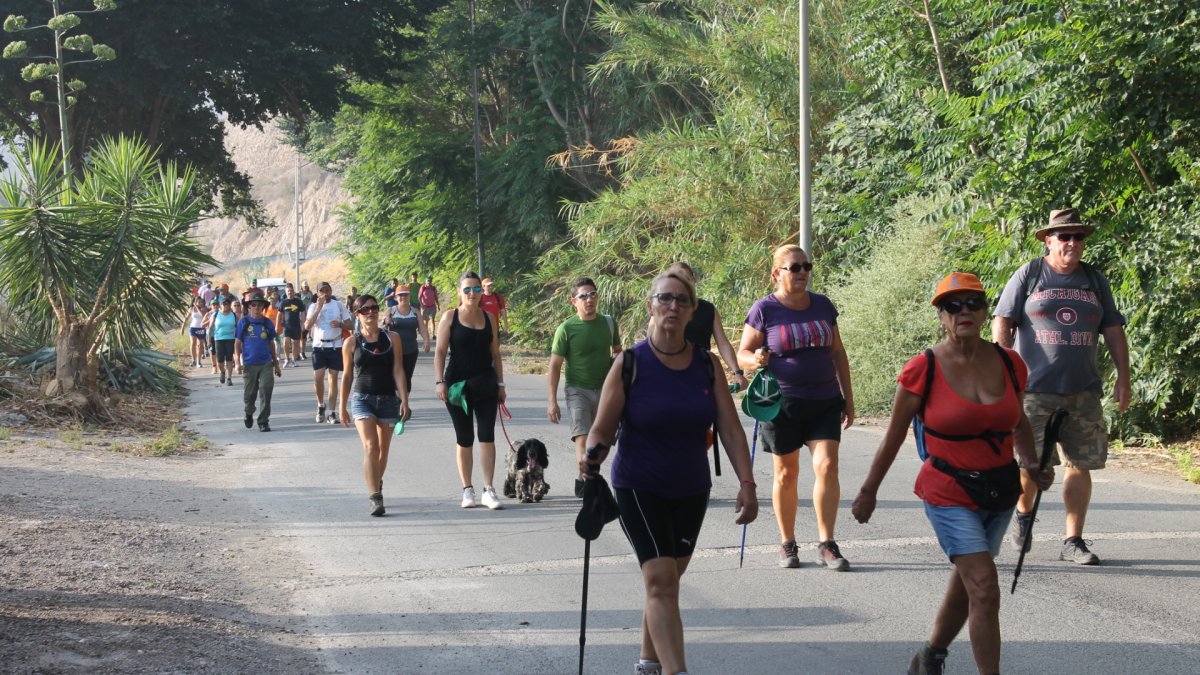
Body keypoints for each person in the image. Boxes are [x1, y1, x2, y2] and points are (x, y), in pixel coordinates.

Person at [851, 272, 1054, 675]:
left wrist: (1031, 464)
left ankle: (931, 655)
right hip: (947, 490)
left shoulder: (1009, 363)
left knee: (968, 583)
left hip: (999, 490)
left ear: (984, 311)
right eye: (952, 305)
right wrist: (868, 490)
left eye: (973, 303)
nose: (964, 311)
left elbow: (1017, 421)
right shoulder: (922, 368)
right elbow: (893, 436)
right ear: (941, 316)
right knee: (984, 584)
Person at [581, 268, 758, 675]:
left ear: (693, 310)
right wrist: (592, 456)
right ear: (651, 306)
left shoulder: (707, 365)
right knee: (661, 580)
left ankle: (648, 662)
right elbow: (602, 428)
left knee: (667, 581)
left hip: (691, 487)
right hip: (638, 485)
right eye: (665, 298)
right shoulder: (630, 363)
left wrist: (747, 483)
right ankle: (675, 670)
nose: (673, 306)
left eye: (682, 299)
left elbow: (731, 429)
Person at [992, 207, 1131, 565]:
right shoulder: (1030, 274)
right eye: (1064, 236)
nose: (1072, 242)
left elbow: (1113, 329)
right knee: (1032, 465)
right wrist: (1005, 369)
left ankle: (1073, 541)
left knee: (1080, 464)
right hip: (1033, 390)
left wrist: (1124, 378)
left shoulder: (1094, 279)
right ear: (1049, 241)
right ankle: (1024, 514)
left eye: (1078, 236)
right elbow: (1003, 320)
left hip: (1083, 390)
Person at [736, 244, 855, 570]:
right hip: (781, 403)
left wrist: (849, 399)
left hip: (824, 400)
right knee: (786, 474)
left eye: (807, 266)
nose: (803, 272)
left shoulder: (823, 305)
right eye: (795, 267)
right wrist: (755, 359)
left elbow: (837, 352)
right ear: (777, 273)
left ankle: (827, 543)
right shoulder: (764, 309)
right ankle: (787, 543)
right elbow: (742, 354)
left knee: (827, 466)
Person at [434, 272, 505, 510]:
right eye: (467, 289)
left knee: (487, 435)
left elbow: (495, 353)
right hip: (457, 388)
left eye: (476, 289)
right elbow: (440, 352)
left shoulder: (489, 318)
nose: (472, 294)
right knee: (464, 438)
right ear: (459, 292)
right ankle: (468, 490)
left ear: (481, 292)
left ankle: (488, 489)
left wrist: (501, 384)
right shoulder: (450, 317)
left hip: (486, 383)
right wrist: (439, 381)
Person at [547, 277, 622, 498]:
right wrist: (552, 402)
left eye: (593, 295)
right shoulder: (566, 329)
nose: (589, 299)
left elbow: (618, 353)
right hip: (577, 390)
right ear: (574, 301)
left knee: (602, 440)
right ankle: (587, 482)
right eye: (583, 296)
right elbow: (554, 366)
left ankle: (585, 477)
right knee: (582, 436)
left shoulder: (608, 323)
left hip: (606, 390)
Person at [340, 294, 411, 517]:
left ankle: (376, 483)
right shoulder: (351, 343)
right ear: (356, 314)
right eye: (365, 309)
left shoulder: (392, 338)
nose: (370, 312)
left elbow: (398, 370)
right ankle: (375, 497)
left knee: (382, 450)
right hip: (362, 399)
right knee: (371, 446)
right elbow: (347, 376)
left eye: (374, 308)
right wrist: (341, 407)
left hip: (388, 399)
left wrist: (404, 399)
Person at [669, 262, 747, 392]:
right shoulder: (662, 310)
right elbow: (652, 343)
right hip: (670, 376)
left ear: (694, 280)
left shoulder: (709, 310)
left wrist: (737, 372)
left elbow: (723, 343)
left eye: (686, 279)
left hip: (701, 375)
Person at [304, 282, 353, 424]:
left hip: (335, 345)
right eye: (322, 291)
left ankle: (331, 412)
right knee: (318, 377)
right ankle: (321, 405)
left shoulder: (339, 305)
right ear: (317, 293)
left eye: (327, 290)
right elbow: (307, 326)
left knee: (333, 379)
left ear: (331, 291)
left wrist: (341, 325)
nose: (325, 293)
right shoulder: (313, 306)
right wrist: (318, 308)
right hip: (319, 346)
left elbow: (350, 324)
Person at [234, 294, 283, 432]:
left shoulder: (267, 323)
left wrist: (276, 364)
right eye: (254, 305)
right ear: (249, 306)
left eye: (259, 305)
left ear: (263, 307)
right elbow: (237, 343)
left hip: (266, 363)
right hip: (249, 364)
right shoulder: (243, 322)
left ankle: (263, 421)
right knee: (249, 395)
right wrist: (237, 362)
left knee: (266, 390)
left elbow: (271, 344)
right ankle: (249, 411)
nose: (256, 307)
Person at [385, 284, 430, 394]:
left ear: (409, 296)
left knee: (407, 376)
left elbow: (422, 328)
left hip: (411, 350)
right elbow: (383, 329)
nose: (403, 297)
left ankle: (404, 401)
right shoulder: (390, 311)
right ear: (396, 297)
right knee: (394, 375)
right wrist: (386, 322)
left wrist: (426, 341)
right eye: (400, 295)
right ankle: (397, 400)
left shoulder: (415, 312)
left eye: (405, 295)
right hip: (394, 351)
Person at [206, 296, 238, 385]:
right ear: (220, 305)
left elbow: (238, 327)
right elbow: (210, 328)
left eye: (227, 304)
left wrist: (239, 340)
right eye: (224, 304)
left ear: (230, 305)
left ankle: (229, 378)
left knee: (229, 358)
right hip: (218, 339)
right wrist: (209, 340)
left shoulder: (233, 315)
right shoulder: (215, 315)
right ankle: (223, 371)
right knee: (220, 360)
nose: (226, 306)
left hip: (230, 339)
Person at [278, 288, 306, 367]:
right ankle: (287, 359)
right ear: (286, 293)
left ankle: (294, 360)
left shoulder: (298, 302)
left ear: (293, 292)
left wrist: (303, 324)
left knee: (295, 342)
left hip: (296, 325)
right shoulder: (283, 302)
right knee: (286, 341)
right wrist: (277, 326)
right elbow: (279, 314)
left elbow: (303, 312)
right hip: (287, 326)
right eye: (288, 291)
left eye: (291, 291)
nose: (290, 292)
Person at [180, 297, 208, 368]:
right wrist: (182, 328)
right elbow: (186, 318)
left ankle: (199, 361)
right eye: (199, 302)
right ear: (195, 302)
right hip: (193, 328)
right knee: (193, 343)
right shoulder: (191, 309)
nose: (201, 303)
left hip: (201, 328)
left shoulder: (204, 309)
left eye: (201, 302)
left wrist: (197, 308)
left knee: (200, 345)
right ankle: (193, 360)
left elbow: (202, 315)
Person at [298, 281, 315, 360]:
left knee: (306, 335)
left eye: (306, 286)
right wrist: (302, 299)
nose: (305, 288)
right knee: (301, 337)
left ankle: (303, 351)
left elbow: (312, 300)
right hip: (302, 314)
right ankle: (300, 352)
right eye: (304, 287)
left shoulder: (310, 293)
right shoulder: (300, 293)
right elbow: (298, 302)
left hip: (309, 312)